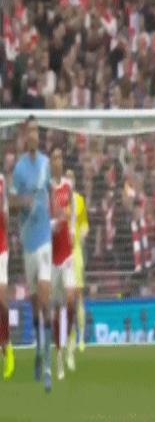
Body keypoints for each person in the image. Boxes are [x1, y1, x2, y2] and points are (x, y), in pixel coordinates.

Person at [9, 117, 53, 392]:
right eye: (31, 131)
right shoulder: (19, 169)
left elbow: (50, 194)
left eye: (38, 130)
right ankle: (38, 349)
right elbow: (12, 203)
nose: (35, 135)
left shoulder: (46, 164)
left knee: (45, 302)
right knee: (36, 304)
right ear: (26, 136)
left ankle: (47, 365)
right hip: (28, 244)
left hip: (45, 240)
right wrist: (22, 202)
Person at [49, 147, 76, 380]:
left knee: (70, 300)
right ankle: (58, 355)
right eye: (55, 158)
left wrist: (73, 229)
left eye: (60, 157)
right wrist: (55, 224)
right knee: (57, 309)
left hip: (67, 253)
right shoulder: (46, 190)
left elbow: (73, 211)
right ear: (50, 163)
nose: (58, 161)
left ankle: (69, 346)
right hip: (52, 257)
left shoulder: (68, 185)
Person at [66, 169, 89, 353]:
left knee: (79, 296)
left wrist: (82, 233)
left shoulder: (79, 200)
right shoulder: (59, 201)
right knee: (68, 299)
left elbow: (85, 225)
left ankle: (81, 337)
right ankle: (72, 336)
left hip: (76, 253)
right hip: (63, 254)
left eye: (71, 178)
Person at [0, 172, 14, 380]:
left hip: (0, 248)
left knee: (1, 301)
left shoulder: (1, 181)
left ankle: (7, 347)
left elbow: (6, 215)